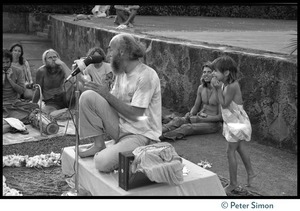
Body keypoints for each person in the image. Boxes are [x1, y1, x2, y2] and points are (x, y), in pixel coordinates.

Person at [77, 33, 162, 173]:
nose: (108, 54)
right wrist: (86, 82)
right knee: (87, 96)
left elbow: (136, 115)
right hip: (121, 128)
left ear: (121, 51)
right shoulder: (121, 73)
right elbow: (112, 103)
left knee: (101, 162)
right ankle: (99, 145)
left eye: (111, 49)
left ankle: (127, 151)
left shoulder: (146, 75)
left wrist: (105, 94)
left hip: (141, 135)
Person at [211, 55, 256, 194]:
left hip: (236, 123)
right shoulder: (225, 84)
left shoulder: (231, 86)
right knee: (240, 147)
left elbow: (224, 104)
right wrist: (217, 88)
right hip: (234, 121)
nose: (213, 73)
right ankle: (251, 172)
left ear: (226, 73)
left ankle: (233, 184)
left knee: (230, 151)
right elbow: (218, 102)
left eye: (216, 71)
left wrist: (217, 90)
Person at [160, 62, 222, 141]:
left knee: (187, 127)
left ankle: (163, 137)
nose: (206, 74)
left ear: (214, 74)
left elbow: (220, 117)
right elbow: (196, 107)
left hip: (213, 124)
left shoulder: (220, 90)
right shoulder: (201, 88)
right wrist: (191, 113)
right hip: (200, 117)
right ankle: (156, 132)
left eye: (209, 72)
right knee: (178, 120)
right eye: (204, 72)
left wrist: (201, 119)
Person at [3, 49, 38, 133]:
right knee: (27, 115)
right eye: (2, 63)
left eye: (7, 62)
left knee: (35, 107)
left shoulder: (18, 71)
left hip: (14, 102)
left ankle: (12, 122)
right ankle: (13, 124)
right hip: (4, 105)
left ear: (11, 62)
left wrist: (10, 79)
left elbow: (21, 91)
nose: (5, 65)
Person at [32, 49, 75, 115]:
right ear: (45, 60)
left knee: (78, 85)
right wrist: (33, 105)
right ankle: (67, 111)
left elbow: (73, 80)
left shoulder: (61, 68)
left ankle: (72, 109)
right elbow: (38, 90)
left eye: (55, 57)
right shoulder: (41, 71)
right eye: (50, 58)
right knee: (48, 113)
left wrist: (63, 64)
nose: (53, 59)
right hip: (51, 102)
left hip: (63, 98)